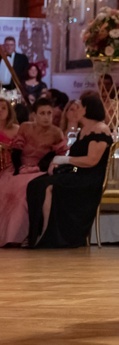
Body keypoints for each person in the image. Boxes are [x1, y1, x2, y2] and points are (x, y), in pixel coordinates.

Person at [24, 93, 105, 248]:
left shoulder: (100, 129)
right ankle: (37, 233)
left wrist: (65, 160)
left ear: (87, 109)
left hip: (89, 178)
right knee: (35, 184)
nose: (76, 111)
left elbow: (92, 160)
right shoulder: (84, 130)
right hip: (77, 173)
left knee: (47, 186)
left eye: (79, 107)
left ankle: (47, 232)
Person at [0, 98, 65, 247]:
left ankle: (23, 235)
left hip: (39, 170)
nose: (46, 117)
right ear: (34, 115)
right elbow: (16, 150)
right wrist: (18, 169)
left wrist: (46, 163)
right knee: (4, 187)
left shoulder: (56, 133)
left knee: (23, 192)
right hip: (19, 168)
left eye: (49, 113)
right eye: (42, 113)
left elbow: (60, 156)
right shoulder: (25, 127)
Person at [0, 98, 18, 170]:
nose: (0, 110)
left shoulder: (17, 129)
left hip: (11, 168)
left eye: (3, 108)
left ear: (9, 112)